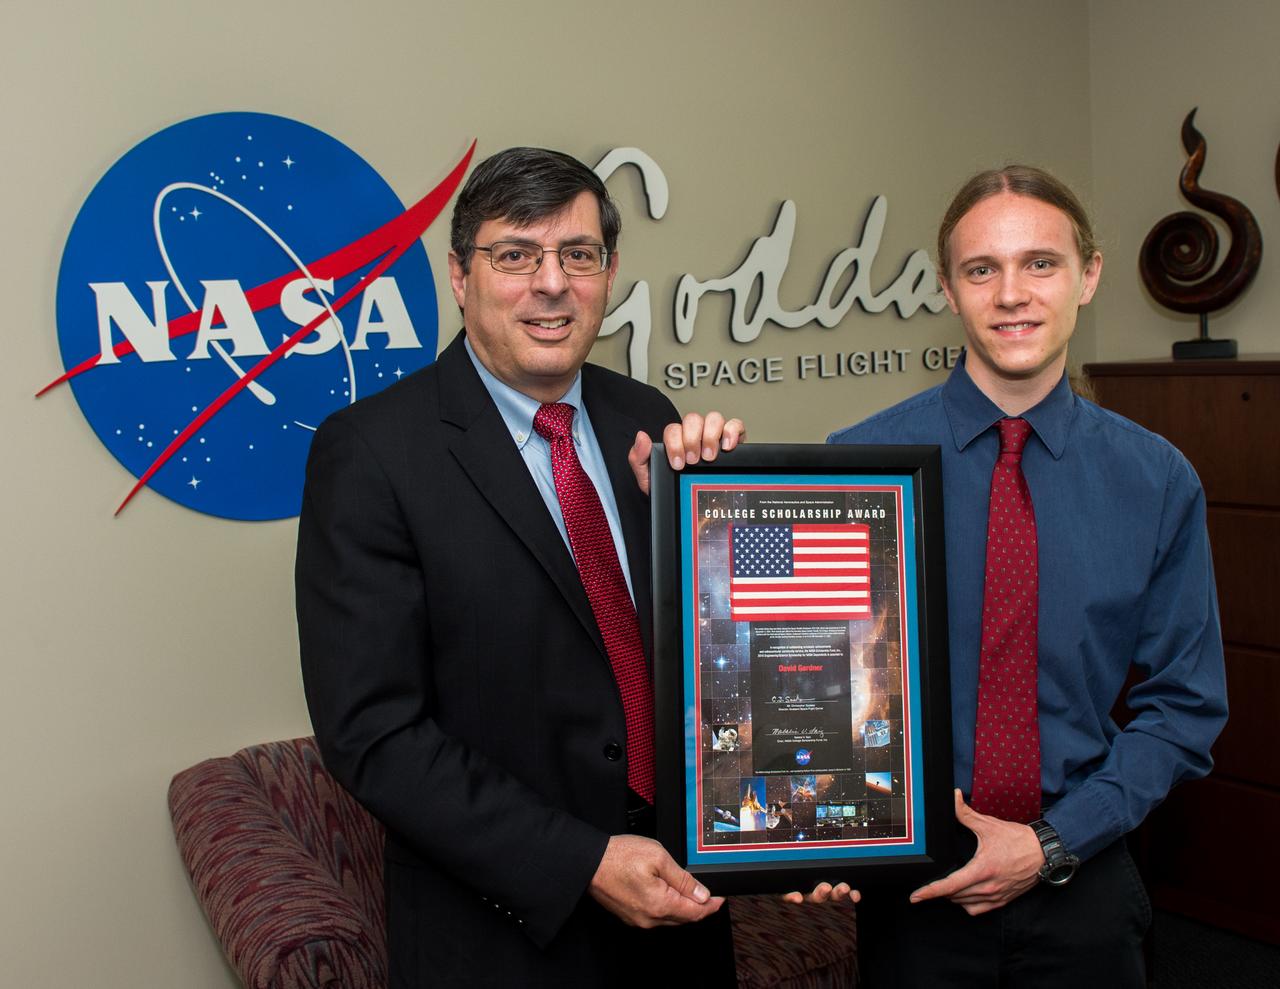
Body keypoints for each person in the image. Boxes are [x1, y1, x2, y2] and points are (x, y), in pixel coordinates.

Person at [297, 147, 746, 987]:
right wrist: (581, 861)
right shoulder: (371, 454)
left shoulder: (645, 419)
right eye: (515, 255)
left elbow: (704, 654)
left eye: (578, 255)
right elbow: (375, 736)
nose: (551, 283)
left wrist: (722, 519)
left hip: (683, 912)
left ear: (608, 274)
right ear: (461, 276)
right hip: (505, 934)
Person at [828, 165, 1227, 987]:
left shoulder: (1156, 480)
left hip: (1083, 870)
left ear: (1088, 276)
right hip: (915, 885)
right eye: (983, 269)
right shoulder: (855, 471)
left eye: (1040, 263)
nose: (1012, 293)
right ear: (949, 288)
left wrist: (1051, 843)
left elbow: (1184, 707)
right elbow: (804, 671)